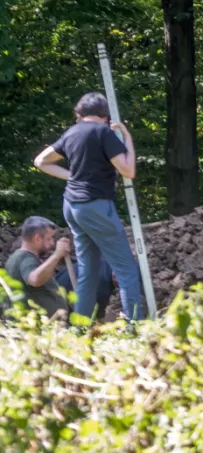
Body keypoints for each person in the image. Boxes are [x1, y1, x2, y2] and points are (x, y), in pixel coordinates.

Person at [33, 92, 146, 322]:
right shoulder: (103, 132)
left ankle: (79, 327)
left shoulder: (71, 133)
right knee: (126, 270)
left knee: (88, 272)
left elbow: (40, 161)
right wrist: (127, 138)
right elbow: (128, 170)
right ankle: (136, 327)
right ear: (105, 116)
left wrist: (72, 177)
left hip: (72, 206)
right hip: (95, 206)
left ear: (79, 114)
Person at [3, 216, 70, 320]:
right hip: (34, 328)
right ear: (37, 238)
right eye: (49, 238)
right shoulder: (25, 258)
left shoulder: (17, 257)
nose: (52, 243)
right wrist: (57, 255)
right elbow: (34, 280)